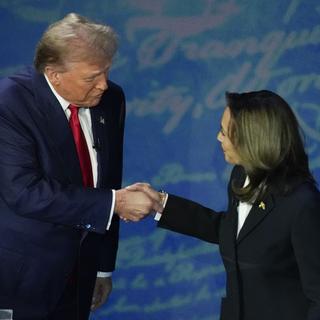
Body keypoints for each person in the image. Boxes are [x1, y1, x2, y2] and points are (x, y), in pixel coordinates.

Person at [0, 13, 162, 320]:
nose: (103, 85)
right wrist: (117, 202)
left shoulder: (111, 99)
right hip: (21, 280)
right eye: (91, 77)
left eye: (106, 72)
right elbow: (24, 191)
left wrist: (102, 267)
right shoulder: (9, 103)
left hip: (80, 277)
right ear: (53, 73)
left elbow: (109, 179)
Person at [130, 90, 320, 320]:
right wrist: (161, 204)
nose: (219, 138)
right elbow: (233, 232)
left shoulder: (302, 204)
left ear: (252, 139)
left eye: (224, 132)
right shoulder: (241, 177)